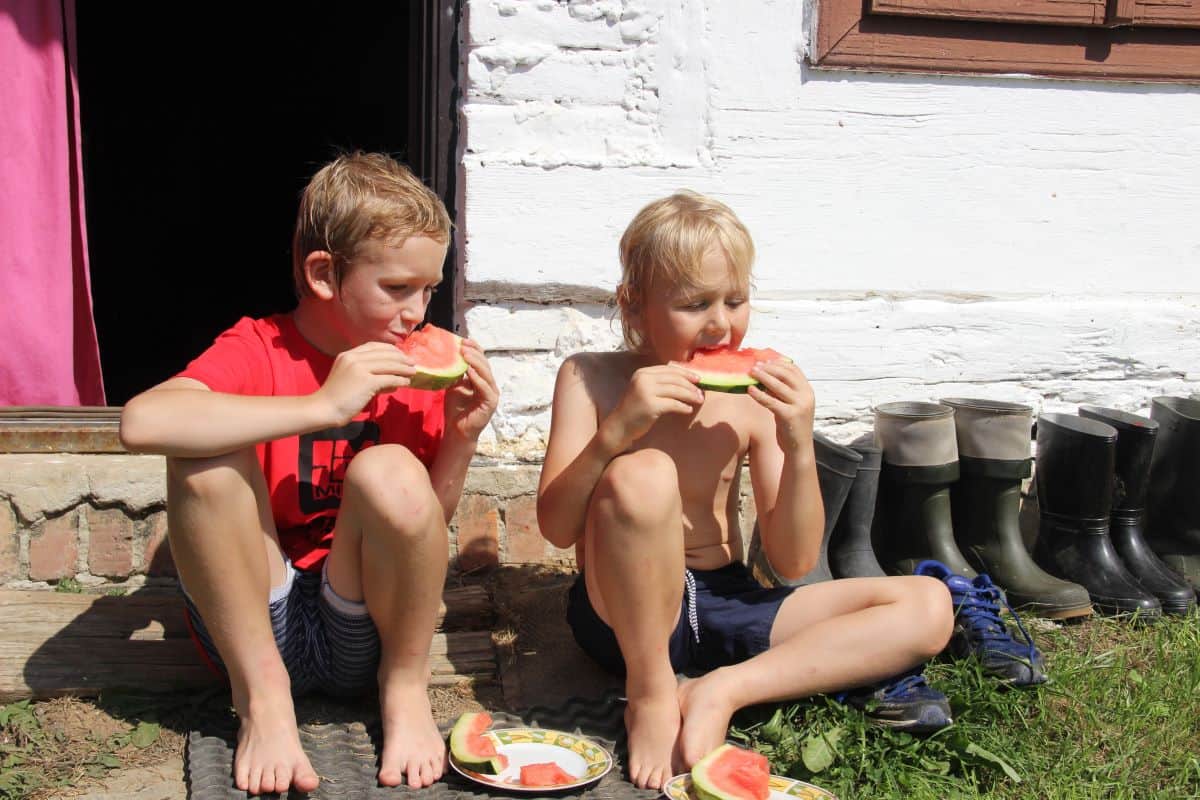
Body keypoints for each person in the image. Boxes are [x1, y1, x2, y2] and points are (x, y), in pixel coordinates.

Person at [536, 191, 955, 790]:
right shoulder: (588, 378)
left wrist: (799, 439)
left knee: (928, 605)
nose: (721, 323)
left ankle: (720, 689)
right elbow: (555, 528)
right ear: (634, 307)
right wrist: (615, 435)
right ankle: (652, 692)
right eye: (694, 304)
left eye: (735, 299)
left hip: (722, 598)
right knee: (643, 472)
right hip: (619, 611)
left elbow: (793, 560)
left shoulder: (752, 399)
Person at [119, 152, 499, 796]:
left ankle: (405, 692)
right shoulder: (258, 346)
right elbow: (142, 422)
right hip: (251, 630)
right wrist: (322, 406)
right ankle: (265, 704)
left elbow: (423, 524)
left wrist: (461, 439)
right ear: (323, 273)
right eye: (398, 288)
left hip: (364, 624)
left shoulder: (419, 372)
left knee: (390, 470)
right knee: (202, 458)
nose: (417, 312)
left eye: (430, 289)